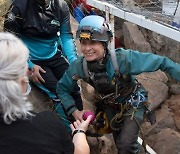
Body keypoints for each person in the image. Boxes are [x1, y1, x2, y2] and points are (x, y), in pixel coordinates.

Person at [56, 15, 180, 153]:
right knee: (120, 141)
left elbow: (162, 62)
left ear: (104, 43)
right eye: (83, 43)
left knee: (125, 144)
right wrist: (74, 111)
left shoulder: (122, 60)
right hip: (111, 107)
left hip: (134, 102)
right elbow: (62, 88)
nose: (87, 48)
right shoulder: (80, 67)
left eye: (92, 42)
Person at [0, 32, 91, 154]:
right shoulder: (46, 125)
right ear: (21, 82)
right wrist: (79, 133)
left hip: (53, 58)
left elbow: (65, 36)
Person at [4, 0, 83, 130]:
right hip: (30, 59)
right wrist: (28, 65)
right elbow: (10, 42)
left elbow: (66, 36)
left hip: (53, 55)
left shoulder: (61, 6)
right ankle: (70, 132)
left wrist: (74, 62)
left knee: (73, 86)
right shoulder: (18, 8)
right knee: (56, 90)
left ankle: (81, 125)